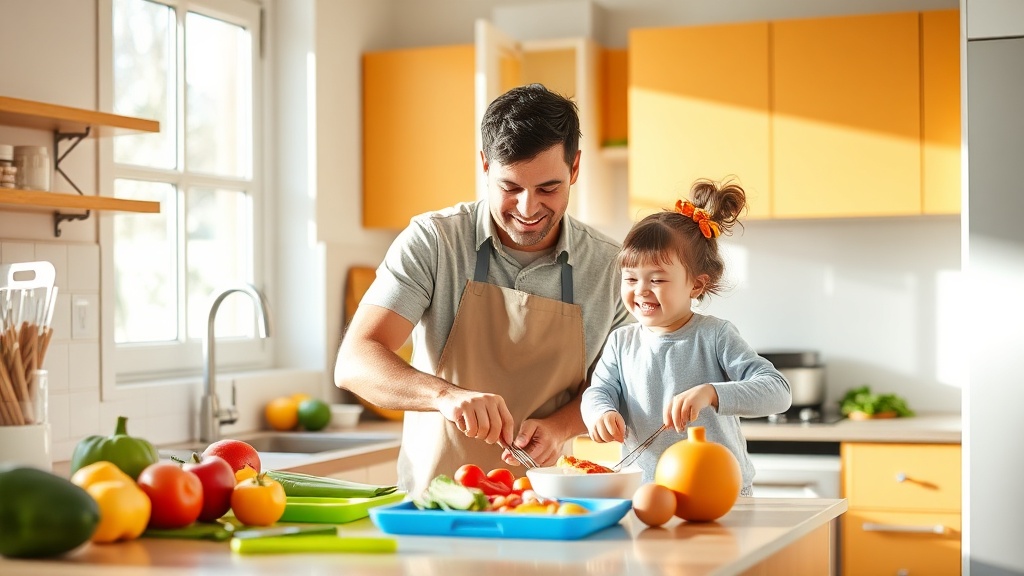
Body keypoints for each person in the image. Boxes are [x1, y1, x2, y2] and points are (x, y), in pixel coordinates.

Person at [335, 84, 632, 493]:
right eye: (510, 188)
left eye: (548, 188)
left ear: (575, 169)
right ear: (485, 166)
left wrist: (561, 427)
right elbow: (355, 361)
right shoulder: (434, 241)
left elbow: (617, 383)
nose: (528, 209)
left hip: (548, 505)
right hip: (435, 505)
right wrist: (444, 396)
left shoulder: (609, 268)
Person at [580, 178, 791, 495]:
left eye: (657, 279)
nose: (641, 290)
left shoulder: (715, 336)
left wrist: (711, 393)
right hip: (648, 494)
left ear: (696, 285)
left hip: (721, 494)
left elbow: (779, 392)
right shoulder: (620, 342)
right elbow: (598, 391)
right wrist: (601, 412)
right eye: (631, 278)